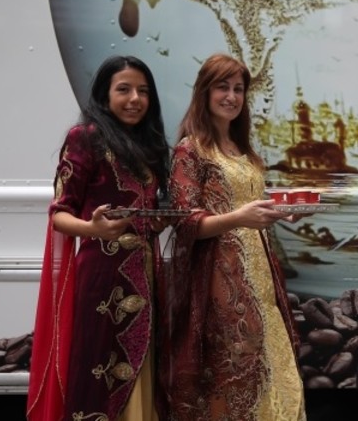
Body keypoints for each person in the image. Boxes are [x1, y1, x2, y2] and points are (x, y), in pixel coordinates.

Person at [160, 53, 305, 421]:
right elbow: (185, 222)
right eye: (222, 87)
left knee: (276, 364)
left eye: (238, 89)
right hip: (220, 281)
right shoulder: (190, 150)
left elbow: (251, 210)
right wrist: (238, 218)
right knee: (236, 367)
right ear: (204, 92)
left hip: (261, 276)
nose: (231, 96)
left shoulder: (244, 151)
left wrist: (279, 211)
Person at [27, 55, 170, 421]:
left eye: (143, 91)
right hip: (103, 284)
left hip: (147, 279)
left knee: (144, 368)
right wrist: (92, 229)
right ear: (104, 96)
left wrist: (157, 222)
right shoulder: (85, 138)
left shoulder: (148, 145)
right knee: (99, 373)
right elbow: (59, 213)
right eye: (123, 89)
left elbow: (146, 210)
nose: (135, 99)